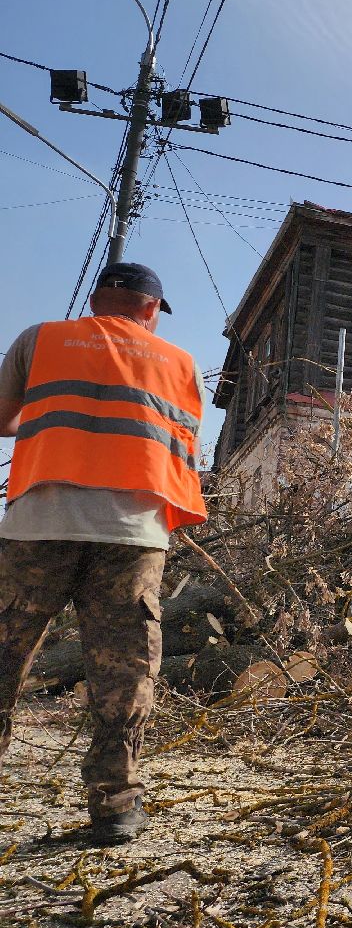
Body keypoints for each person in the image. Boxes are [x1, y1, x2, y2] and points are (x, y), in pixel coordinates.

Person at [0, 264, 206, 844]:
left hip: (39, 524)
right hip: (133, 533)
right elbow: (178, 445)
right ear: (150, 309)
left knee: (3, 653)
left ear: (95, 301)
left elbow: (2, 418)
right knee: (126, 669)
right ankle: (116, 806)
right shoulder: (180, 362)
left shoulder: (38, 339)